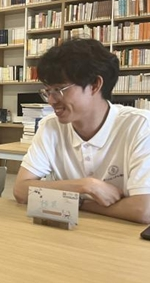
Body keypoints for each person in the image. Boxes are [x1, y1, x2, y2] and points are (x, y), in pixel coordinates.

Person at [13, 38, 150, 224]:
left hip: (123, 237)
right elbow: (21, 190)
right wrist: (85, 186)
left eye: (59, 89)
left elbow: (143, 210)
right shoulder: (51, 126)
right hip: (69, 233)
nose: (51, 100)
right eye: (48, 91)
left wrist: (75, 202)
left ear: (95, 85)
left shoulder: (141, 126)